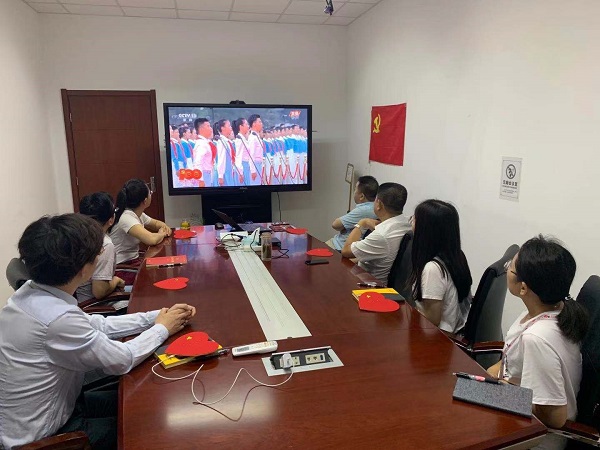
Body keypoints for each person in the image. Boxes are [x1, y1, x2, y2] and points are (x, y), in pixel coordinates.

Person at [0, 213, 195, 449]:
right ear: (84, 269)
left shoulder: (32, 292)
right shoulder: (57, 320)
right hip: (46, 438)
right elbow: (123, 359)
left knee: (140, 400)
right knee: (150, 423)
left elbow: (97, 324)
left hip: (53, 408)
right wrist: (163, 328)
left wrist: (155, 317)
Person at [487, 236, 589, 450]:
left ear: (524, 288)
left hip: (535, 438)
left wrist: (502, 394)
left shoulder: (537, 338)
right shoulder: (555, 309)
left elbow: (555, 417)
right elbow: (513, 361)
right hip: (518, 414)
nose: (507, 269)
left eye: (510, 267)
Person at [409, 200, 472, 333]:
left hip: (439, 337)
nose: (411, 222)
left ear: (425, 230)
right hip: (455, 328)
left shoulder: (433, 269)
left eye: (414, 219)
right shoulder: (457, 255)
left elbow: (432, 320)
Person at [341, 182, 411, 282]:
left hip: (367, 283)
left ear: (379, 204)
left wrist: (362, 223)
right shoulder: (407, 223)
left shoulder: (381, 235)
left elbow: (345, 251)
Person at [109, 179, 171, 284]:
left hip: (133, 262)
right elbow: (151, 239)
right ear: (145, 201)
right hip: (122, 268)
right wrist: (162, 233)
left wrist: (163, 227)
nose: (151, 194)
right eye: (150, 192)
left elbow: (156, 223)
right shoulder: (126, 217)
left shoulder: (137, 213)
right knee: (159, 278)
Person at [76, 192, 124, 302]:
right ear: (111, 220)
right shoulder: (105, 244)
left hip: (77, 302)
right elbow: (99, 291)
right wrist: (116, 280)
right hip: (95, 305)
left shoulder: (77, 236)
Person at [326, 176, 379, 251]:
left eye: (355, 189)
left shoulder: (364, 210)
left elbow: (335, 225)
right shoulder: (375, 207)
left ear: (361, 196)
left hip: (338, 247)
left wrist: (343, 227)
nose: (354, 192)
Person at [192, 118, 214, 187]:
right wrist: (200, 179)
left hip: (207, 174)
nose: (211, 129)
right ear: (201, 129)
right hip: (203, 175)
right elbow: (197, 162)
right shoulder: (201, 143)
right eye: (208, 126)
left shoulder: (205, 142)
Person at [214, 119, 236, 187]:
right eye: (229, 126)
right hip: (224, 173)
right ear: (222, 128)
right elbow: (221, 159)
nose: (231, 127)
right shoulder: (221, 142)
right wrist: (220, 176)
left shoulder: (227, 141)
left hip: (229, 171)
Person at [247, 114, 265, 185]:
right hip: (255, 165)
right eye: (259, 122)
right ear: (254, 124)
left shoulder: (257, 136)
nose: (261, 124)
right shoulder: (252, 138)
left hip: (259, 164)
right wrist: (253, 170)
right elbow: (251, 155)